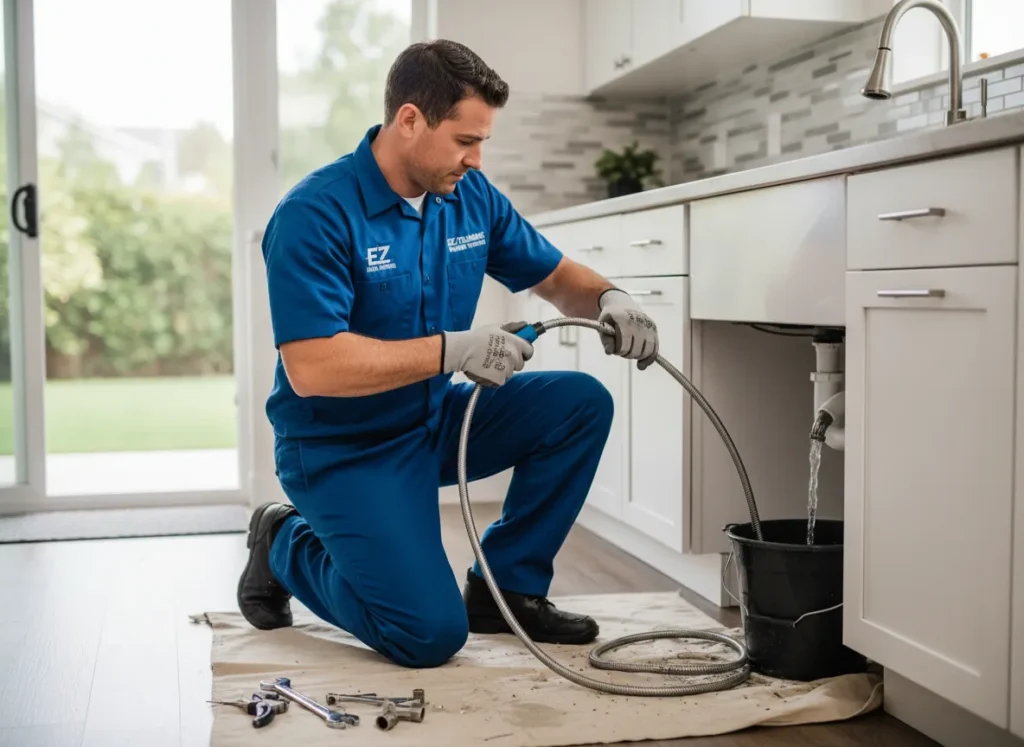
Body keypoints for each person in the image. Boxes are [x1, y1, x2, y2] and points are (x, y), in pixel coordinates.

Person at [237, 38, 660, 669]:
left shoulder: (469, 198)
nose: (477, 159)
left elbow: (554, 276)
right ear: (409, 119)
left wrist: (611, 297)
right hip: (343, 448)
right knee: (427, 635)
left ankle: (505, 590)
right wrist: (454, 350)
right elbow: (313, 367)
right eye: (466, 140)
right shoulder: (314, 214)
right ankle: (283, 541)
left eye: (482, 141)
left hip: (432, 420)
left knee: (579, 403)